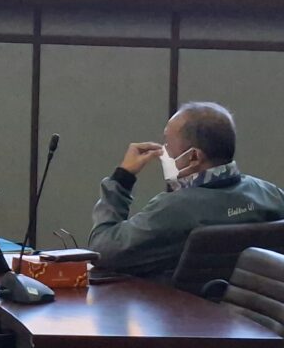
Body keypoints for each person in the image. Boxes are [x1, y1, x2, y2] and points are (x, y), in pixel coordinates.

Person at [89, 101, 284, 279]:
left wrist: (122, 178)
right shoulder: (270, 194)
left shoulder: (171, 210)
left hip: (179, 306)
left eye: (167, 144)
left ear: (194, 157)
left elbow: (102, 251)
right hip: (248, 307)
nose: (163, 152)